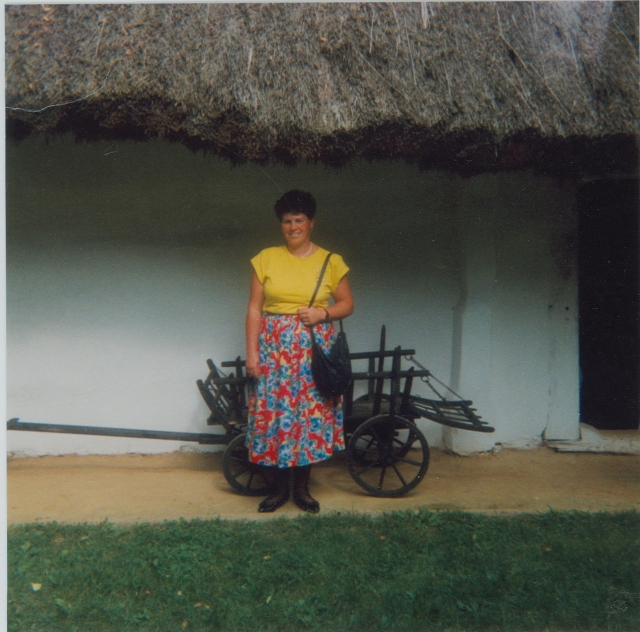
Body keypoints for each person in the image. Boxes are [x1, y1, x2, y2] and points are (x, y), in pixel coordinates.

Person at [245, 190, 354, 513]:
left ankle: (303, 490)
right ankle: (279, 490)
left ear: (311, 223)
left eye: (299, 220)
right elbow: (254, 309)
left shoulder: (331, 261)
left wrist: (323, 313)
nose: (293, 227)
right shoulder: (265, 258)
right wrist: (252, 353)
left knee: (307, 416)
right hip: (274, 351)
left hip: (312, 351)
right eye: (287, 221)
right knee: (278, 414)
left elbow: (347, 304)